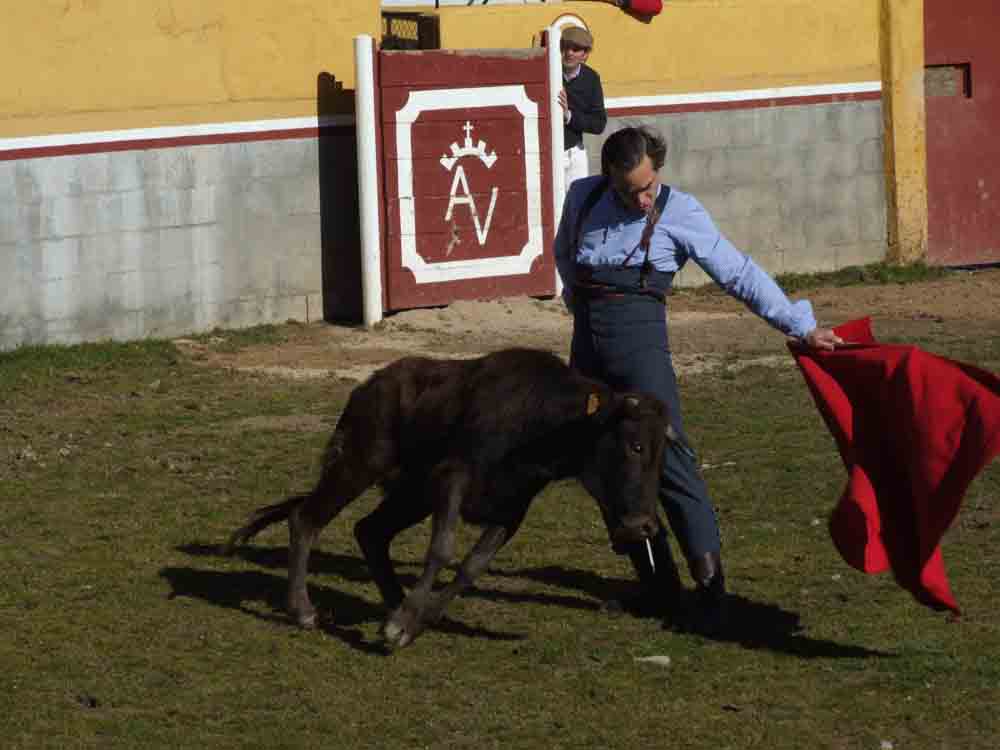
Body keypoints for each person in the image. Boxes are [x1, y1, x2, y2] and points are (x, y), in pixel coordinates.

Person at [554, 125, 843, 633]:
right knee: (602, 465)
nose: (643, 200)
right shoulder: (583, 196)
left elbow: (738, 273)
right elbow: (564, 255)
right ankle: (656, 583)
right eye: (630, 191)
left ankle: (711, 589)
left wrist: (801, 325)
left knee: (668, 457)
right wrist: (579, 308)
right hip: (588, 349)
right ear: (609, 179)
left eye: (649, 187)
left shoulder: (680, 211)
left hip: (640, 348)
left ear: (658, 171)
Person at [557, 26, 607, 192]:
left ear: (585, 55)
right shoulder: (548, 72)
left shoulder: (591, 78)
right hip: (550, 152)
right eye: (565, 47)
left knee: (579, 204)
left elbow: (599, 123)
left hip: (575, 150)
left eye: (576, 49)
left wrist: (569, 116)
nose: (569, 53)